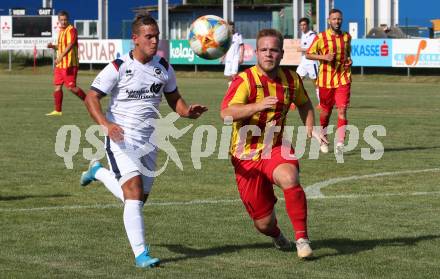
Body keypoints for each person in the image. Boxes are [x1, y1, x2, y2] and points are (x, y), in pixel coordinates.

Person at [79, 12, 207, 268]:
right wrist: (106, 125)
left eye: (156, 36)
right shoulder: (118, 67)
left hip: (149, 141)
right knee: (134, 193)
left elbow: (174, 99)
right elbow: (91, 97)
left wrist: (186, 111)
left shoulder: (164, 68)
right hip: (121, 139)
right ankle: (141, 255)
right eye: (148, 36)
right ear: (134, 39)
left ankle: (98, 172)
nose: (154, 41)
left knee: (136, 199)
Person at [220, 28, 326, 259]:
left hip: (274, 147)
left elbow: (305, 104)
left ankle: (302, 240)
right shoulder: (244, 80)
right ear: (256, 53)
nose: (269, 54)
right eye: (264, 50)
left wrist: (311, 127)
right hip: (245, 157)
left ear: (281, 54)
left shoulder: (291, 79)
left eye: (274, 50)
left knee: (289, 177)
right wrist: (256, 106)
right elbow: (226, 113)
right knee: (264, 224)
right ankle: (278, 235)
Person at [306, 9, 352, 154]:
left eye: (339, 19)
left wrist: (349, 61)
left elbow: (348, 54)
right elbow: (308, 55)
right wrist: (324, 58)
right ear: (328, 20)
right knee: (326, 112)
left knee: (342, 110)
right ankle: (323, 137)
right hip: (325, 81)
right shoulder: (321, 37)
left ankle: (340, 143)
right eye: (334, 19)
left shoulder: (347, 37)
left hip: (343, 78)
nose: (337, 21)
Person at [46, 10, 86, 116]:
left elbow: (70, 45)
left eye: (65, 20)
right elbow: (61, 47)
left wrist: (60, 57)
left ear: (68, 20)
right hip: (60, 65)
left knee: (71, 88)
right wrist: (53, 47)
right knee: (57, 86)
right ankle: (58, 111)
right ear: (59, 21)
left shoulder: (71, 30)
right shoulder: (61, 31)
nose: (63, 22)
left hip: (70, 64)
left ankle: (89, 101)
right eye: (61, 20)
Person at [296, 17, 320, 110]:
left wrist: (301, 49)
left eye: (304, 25)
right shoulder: (303, 35)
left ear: (308, 25)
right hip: (303, 61)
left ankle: (321, 103)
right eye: (301, 25)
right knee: (297, 81)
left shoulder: (312, 35)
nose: (302, 27)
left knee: (316, 83)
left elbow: (313, 48)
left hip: (311, 62)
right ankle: (294, 102)